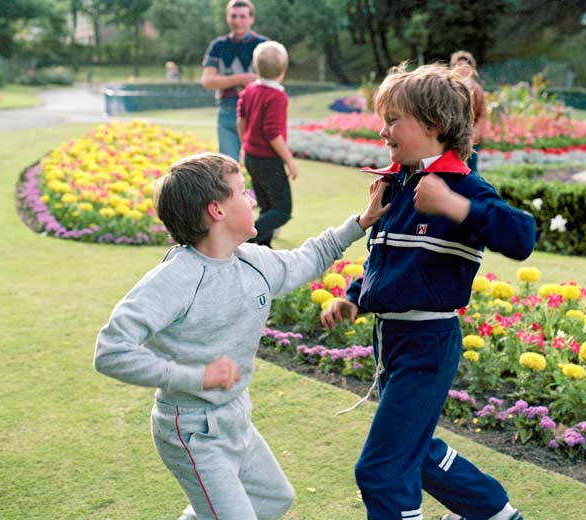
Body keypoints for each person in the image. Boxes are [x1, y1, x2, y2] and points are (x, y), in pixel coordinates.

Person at [93, 152, 389, 520]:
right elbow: (110, 351)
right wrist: (196, 377)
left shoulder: (253, 261)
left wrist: (362, 222)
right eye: (242, 191)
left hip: (234, 417)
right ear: (217, 210)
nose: (251, 200)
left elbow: (309, 258)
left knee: (273, 499)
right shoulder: (175, 279)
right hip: (192, 431)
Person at [320, 63, 535, 520]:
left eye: (393, 119)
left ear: (434, 125)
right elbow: (387, 260)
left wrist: (454, 206)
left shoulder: (462, 187)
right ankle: (496, 513)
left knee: (380, 470)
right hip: (392, 343)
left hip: (428, 344)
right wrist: (355, 298)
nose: (383, 130)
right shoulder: (398, 185)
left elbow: (522, 237)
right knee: (414, 450)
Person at [237, 41, 296, 248]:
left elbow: (241, 121)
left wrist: (245, 145)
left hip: (252, 156)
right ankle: (244, 236)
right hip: (268, 159)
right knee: (282, 210)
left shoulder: (250, 90)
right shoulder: (277, 96)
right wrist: (290, 161)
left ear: (256, 67)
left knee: (266, 206)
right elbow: (273, 133)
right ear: (283, 70)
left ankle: (262, 249)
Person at [201, 0, 267, 161]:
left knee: (259, 166)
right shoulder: (218, 45)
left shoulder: (264, 45)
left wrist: (225, 81)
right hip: (227, 110)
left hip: (256, 111)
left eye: (242, 16)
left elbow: (272, 81)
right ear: (227, 18)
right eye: (234, 16)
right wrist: (242, 78)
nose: (237, 21)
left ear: (251, 19)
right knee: (229, 167)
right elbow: (207, 81)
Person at [450, 50, 488, 176]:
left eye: (466, 66)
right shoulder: (449, 88)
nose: (462, 69)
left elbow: (482, 115)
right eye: (459, 65)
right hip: (453, 136)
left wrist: (474, 135)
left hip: (471, 137)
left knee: (473, 168)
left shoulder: (477, 90)